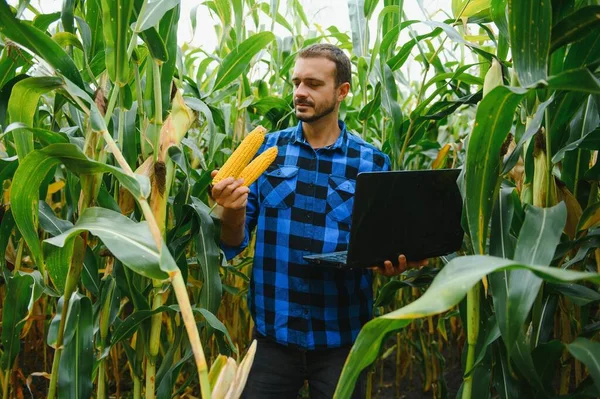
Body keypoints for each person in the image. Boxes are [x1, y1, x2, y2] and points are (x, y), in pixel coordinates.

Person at [211, 43, 427, 399]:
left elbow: (380, 247)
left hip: (341, 340)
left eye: (312, 84)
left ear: (342, 91)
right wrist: (232, 209)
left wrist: (390, 262)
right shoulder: (267, 153)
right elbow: (232, 243)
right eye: (296, 82)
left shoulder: (371, 162)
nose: (299, 92)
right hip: (273, 336)